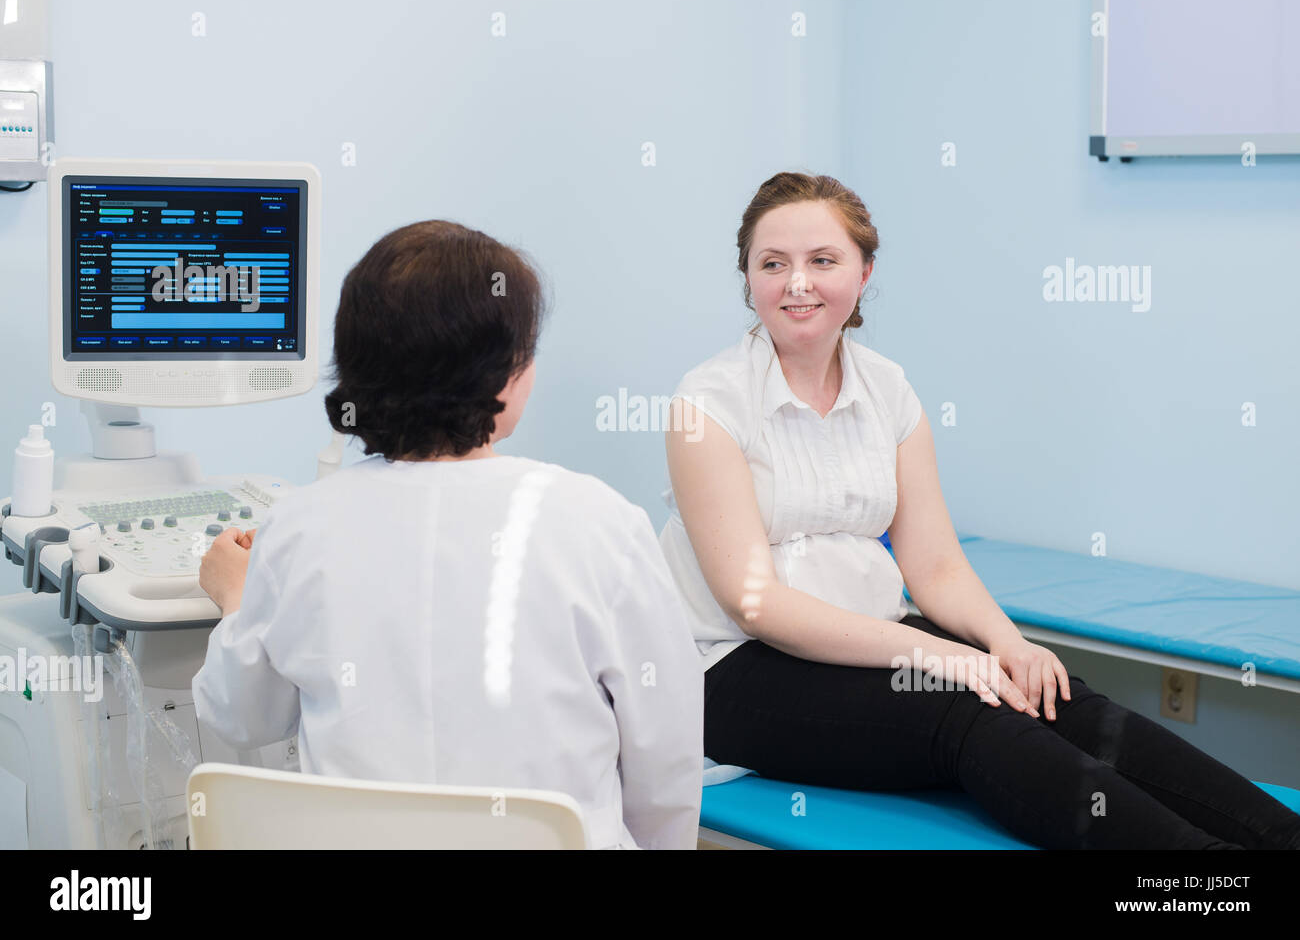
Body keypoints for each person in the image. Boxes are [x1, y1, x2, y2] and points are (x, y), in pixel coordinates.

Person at [659, 170, 1300, 849]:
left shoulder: (888, 390)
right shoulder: (708, 404)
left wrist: (1006, 643)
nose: (797, 283)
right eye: (773, 263)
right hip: (734, 669)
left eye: (822, 260)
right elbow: (757, 605)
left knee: (1058, 698)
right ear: (748, 276)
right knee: (968, 715)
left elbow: (934, 564)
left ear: (864, 270)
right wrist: (939, 655)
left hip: (872, 638)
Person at [193, 220, 703, 850]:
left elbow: (239, 717)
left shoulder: (299, 529)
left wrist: (235, 603)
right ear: (506, 373)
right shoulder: (600, 524)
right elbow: (666, 765)